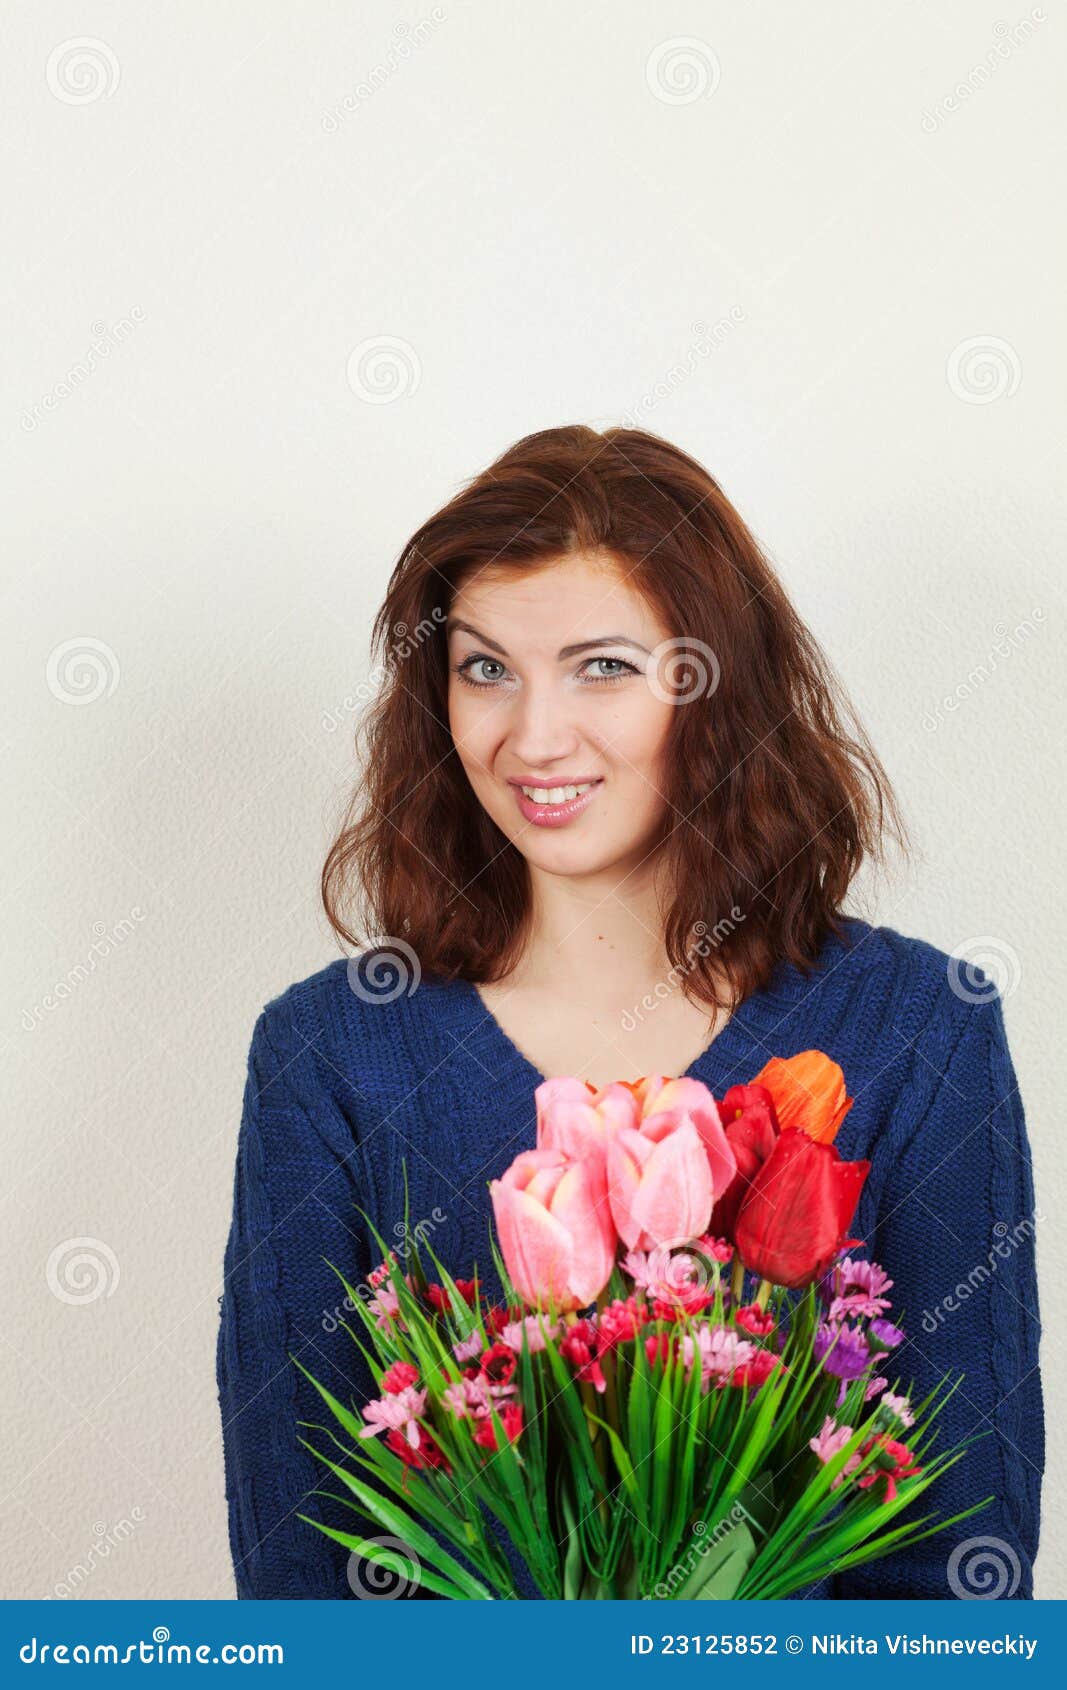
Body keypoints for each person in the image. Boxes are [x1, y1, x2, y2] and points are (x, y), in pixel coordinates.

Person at [216, 425, 1043, 1600]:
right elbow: (302, 1563)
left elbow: (959, 1557)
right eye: (484, 668)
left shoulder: (917, 1028)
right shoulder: (328, 1053)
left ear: (714, 684)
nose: (532, 737)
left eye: (600, 666)